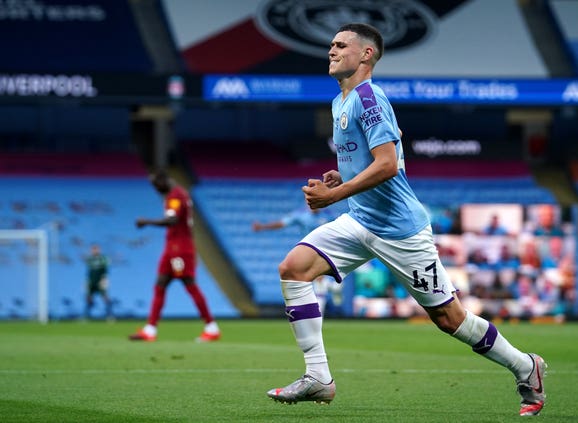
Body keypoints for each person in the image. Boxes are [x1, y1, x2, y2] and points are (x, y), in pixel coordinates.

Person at [266, 23, 547, 417]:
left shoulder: (369, 98)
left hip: (400, 231)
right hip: (361, 219)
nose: (331, 50)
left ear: (366, 54)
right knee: (294, 268)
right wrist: (341, 176)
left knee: (450, 319)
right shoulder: (340, 101)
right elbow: (379, 159)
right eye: (330, 44)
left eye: (341, 45)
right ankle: (318, 378)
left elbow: (386, 166)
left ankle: (525, 366)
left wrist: (333, 195)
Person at [128, 170, 221, 342]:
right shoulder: (175, 195)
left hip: (180, 249)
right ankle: (150, 329)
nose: (157, 190)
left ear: (163, 181)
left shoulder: (176, 196)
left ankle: (211, 327)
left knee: (189, 284)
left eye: (156, 186)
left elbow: (172, 220)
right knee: (160, 285)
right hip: (171, 248)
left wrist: (146, 222)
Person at [252, 204, 341, 315]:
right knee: (316, 282)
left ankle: (320, 314)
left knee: (318, 282)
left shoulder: (328, 215)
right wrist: (263, 227)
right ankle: (332, 287)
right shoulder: (300, 215)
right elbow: (282, 223)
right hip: (308, 249)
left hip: (326, 250)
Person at [84, 243, 113, 321]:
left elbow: (105, 270)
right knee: (88, 298)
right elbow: (89, 271)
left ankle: (109, 315)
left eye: (96, 249)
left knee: (105, 297)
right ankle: (87, 316)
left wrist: (104, 279)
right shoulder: (90, 259)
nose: (94, 251)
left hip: (101, 281)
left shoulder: (103, 258)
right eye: (93, 249)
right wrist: (87, 281)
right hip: (91, 281)